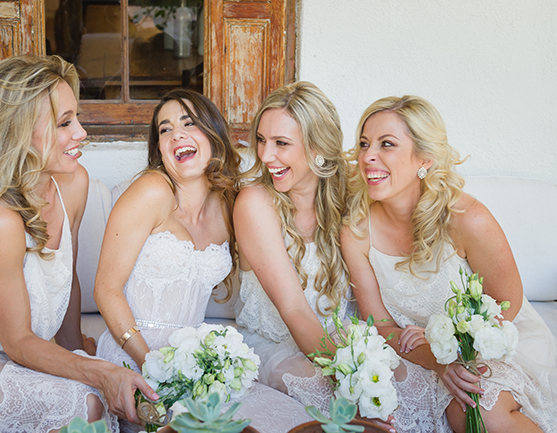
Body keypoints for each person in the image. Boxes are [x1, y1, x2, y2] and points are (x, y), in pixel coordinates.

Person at [0, 55, 156, 433]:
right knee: (86, 404)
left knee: (115, 400)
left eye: (77, 118)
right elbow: (18, 342)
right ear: (19, 132)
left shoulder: (73, 184)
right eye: (64, 123)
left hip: (20, 350)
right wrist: (98, 372)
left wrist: (73, 348)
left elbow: (65, 275)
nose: (82, 134)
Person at [94, 88, 311, 432]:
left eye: (188, 123)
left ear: (213, 135)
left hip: (196, 361)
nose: (175, 134)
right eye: (164, 129)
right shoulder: (151, 192)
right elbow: (106, 290)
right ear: (160, 148)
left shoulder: (228, 204)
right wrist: (151, 365)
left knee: (288, 421)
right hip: (133, 351)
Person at [341, 95, 557, 433]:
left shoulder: (466, 218)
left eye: (387, 144)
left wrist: (456, 349)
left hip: (491, 343)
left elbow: (507, 303)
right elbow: (380, 325)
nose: (368, 157)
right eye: (364, 143)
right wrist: (437, 359)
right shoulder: (356, 229)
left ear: (424, 158)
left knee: (479, 412)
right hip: (411, 349)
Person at [233, 81, 356, 414]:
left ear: (318, 148)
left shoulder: (348, 198)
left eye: (281, 143)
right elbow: (294, 310)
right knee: (338, 400)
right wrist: (353, 376)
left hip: (341, 343)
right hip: (273, 345)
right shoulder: (255, 203)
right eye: (261, 140)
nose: (264, 155)